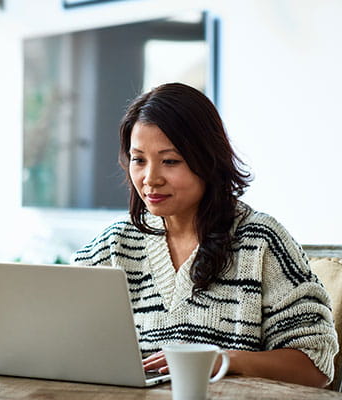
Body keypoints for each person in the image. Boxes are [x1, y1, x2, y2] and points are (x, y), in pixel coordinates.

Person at [70, 82, 338, 387]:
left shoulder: (261, 241)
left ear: (207, 159)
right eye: (138, 159)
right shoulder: (114, 245)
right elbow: (59, 335)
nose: (150, 179)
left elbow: (315, 366)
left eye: (170, 161)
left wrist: (224, 359)